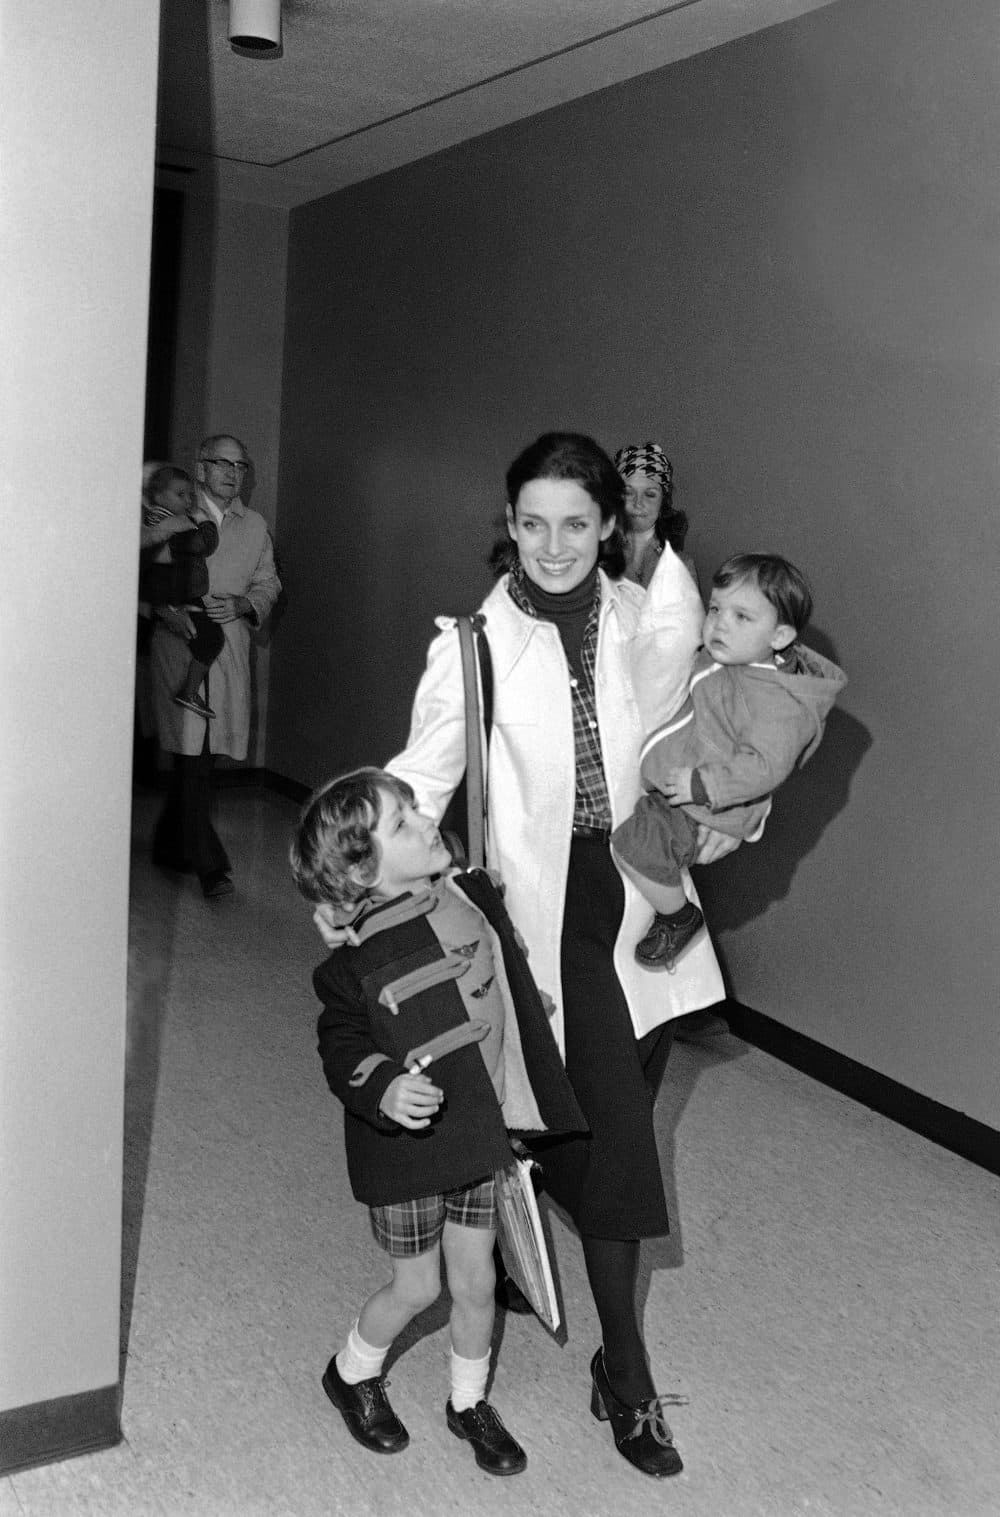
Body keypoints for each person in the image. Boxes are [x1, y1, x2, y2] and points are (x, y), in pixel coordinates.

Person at [319, 432, 733, 1479]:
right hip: (544, 919)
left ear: (609, 527)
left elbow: (707, 746)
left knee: (594, 1112)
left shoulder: (652, 618)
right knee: (621, 1142)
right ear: (508, 525)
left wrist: (731, 819)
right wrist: (346, 873)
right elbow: (415, 778)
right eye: (533, 522)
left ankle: (515, 1197)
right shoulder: (473, 643)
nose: (553, 544)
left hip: (644, 900)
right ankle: (625, 1377)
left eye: (576, 523)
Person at [291, 768, 585, 1475]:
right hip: (407, 1152)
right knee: (419, 1286)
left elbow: (493, 954)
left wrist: (520, 1003)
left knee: (478, 1280)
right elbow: (342, 1048)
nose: (426, 821)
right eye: (403, 822)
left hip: (477, 1133)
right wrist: (383, 1086)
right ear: (363, 870)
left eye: (415, 809)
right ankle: (351, 1372)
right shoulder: (351, 966)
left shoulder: (460, 888)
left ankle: (467, 1399)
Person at [612, 553, 847, 970]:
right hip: (686, 790)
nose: (720, 623)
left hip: (702, 801)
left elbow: (765, 767)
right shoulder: (733, 661)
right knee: (639, 840)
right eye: (717, 608)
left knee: (634, 846)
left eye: (742, 617)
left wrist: (703, 786)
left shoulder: (775, 700)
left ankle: (678, 916)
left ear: (779, 637)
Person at [150, 434, 281, 898]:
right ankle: (212, 867)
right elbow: (138, 574)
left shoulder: (255, 524)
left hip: (228, 650)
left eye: (240, 466)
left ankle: (168, 846)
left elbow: (269, 582)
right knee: (192, 759)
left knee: (201, 758)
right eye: (222, 464)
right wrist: (165, 611)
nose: (232, 473)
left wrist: (247, 601)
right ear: (201, 468)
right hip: (180, 646)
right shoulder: (174, 516)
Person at [139, 465, 226, 719]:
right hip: (172, 596)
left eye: (190, 495)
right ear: (157, 496)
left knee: (210, 638)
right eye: (180, 494)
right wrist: (204, 527)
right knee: (211, 638)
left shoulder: (171, 520)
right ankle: (188, 692)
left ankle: (188, 692)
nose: (188, 501)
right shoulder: (160, 522)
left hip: (182, 595)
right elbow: (198, 543)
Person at [614, 441, 695, 590]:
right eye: (628, 492)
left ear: (663, 500)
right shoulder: (596, 557)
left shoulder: (680, 565)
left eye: (650, 494)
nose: (638, 503)